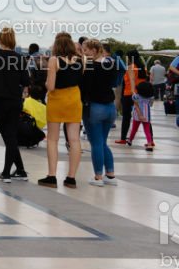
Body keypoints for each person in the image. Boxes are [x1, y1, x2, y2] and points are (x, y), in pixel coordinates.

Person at [0, 28, 29, 182]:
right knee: (10, 136)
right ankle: (20, 170)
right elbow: (25, 81)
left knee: (8, 137)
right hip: (15, 100)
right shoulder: (20, 58)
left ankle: (6, 172)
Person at [39, 32, 84, 189]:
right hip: (74, 100)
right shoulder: (81, 60)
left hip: (57, 100)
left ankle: (52, 176)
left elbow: (50, 86)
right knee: (74, 140)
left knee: (52, 139)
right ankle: (71, 178)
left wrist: (46, 81)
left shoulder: (54, 60)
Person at [81, 39, 119, 185]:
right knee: (103, 142)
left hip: (95, 107)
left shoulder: (90, 65)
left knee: (96, 143)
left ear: (94, 51)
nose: (84, 53)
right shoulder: (112, 64)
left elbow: (86, 88)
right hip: (110, 107)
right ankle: (110, 174)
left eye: (86, 50)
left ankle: (98, 177)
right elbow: (114, 82)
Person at [117, 50, 149, 145]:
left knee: (126, 117)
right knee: (145, 118)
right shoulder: (143, 68)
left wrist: (132, 92)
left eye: (127, 57)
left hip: (129, 94)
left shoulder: (131, 67)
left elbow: (131, 80)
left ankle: (123, 138)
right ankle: (150, 140)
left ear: (130, 57)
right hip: (140, 94)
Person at [126, 82, 156, 150]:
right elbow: (151, 105)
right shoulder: (151, 98)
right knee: (147, 130)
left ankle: (130, 140)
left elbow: (136, 106)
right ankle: (149, 144)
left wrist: (140, 115)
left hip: (137, 116)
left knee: (134, 129)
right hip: (146, 116)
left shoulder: (136, 96)